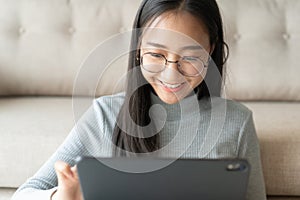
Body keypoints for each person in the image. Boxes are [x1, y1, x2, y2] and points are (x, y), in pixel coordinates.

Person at [12, 0, 266, 199]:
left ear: (210, 50)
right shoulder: (104, 115)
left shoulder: (237, 122)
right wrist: (59, 197)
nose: (171, 74)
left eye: (190, 57)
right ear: (138, 50)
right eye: (156, 54)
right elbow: (24, 194)